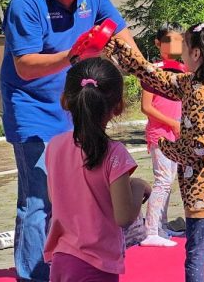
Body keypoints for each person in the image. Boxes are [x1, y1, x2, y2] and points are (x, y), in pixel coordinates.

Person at [0, 0, 137, 281]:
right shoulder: (26, 3)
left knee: (76, 195)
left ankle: (69, 261)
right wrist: (73, 56)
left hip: (76, 108)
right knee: (38, 199)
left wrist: (146, 71)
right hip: (32, 109)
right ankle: (33, 275)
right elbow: (24, 66)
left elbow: (120, 32)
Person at [104, 22, 204, 282]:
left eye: (184, 45)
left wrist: (167, 147)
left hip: (202, 186)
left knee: (195, 254)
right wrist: (121, 49)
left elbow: (200, 145)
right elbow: (156, 78)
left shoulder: (199, 92)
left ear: (196, 53)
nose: (181, 50)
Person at [43, 57, 151, 282]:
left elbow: (55, 198)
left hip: (62, 260)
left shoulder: (55, 146)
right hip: (97, 266)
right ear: (119, 106)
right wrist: (139, 187)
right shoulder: (114, 153)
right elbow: (124, 216)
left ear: (65, 101)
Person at [140, 23, 184, 247]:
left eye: (179, 41)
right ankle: (151, 230)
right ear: (158, 43)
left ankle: (161, 226)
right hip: (161, 134)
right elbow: (146, 106)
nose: (175, 45)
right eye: (170, 41)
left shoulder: (183, 69)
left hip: (176, 134)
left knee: (169, 181)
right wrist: (172, 123)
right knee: (163, 181)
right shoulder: (152, 71)